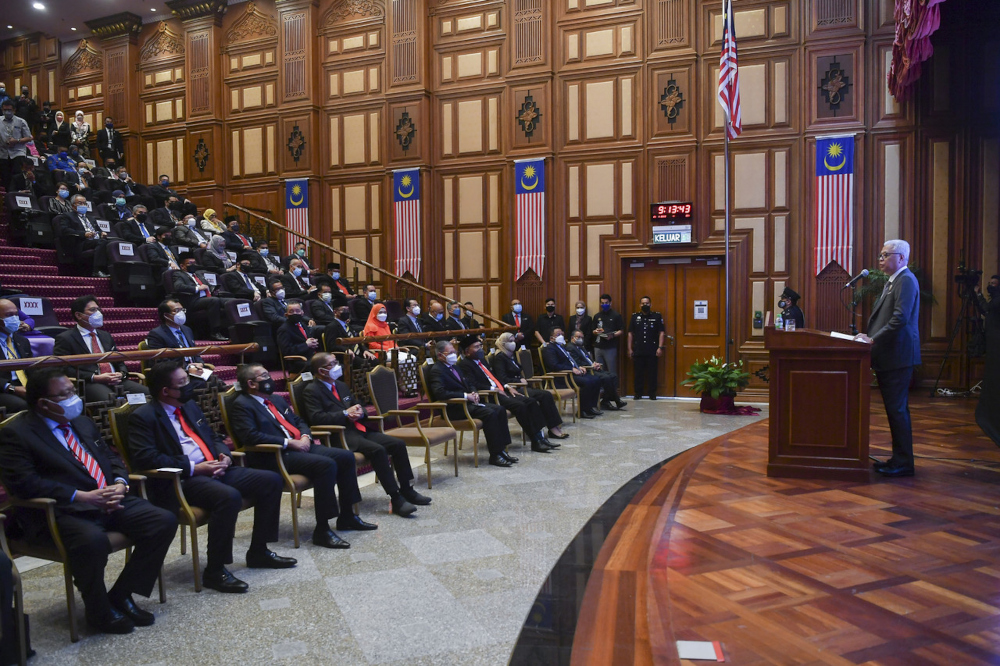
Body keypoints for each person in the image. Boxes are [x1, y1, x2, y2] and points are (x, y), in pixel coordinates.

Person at [0, 368, 177, 633]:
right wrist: (81, 496)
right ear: (43, 403)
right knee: (92, 541)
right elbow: (24, 483)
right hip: (62, 509)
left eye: (72, 391)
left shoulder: (82, 421)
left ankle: (122, 594)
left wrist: (119, 483)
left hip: (106, 498)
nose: (73, 398)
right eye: (64, 394)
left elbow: (111, 458)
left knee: (162, 520)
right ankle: (98, 609)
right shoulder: (16, 433)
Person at [128, 362, 296, 593]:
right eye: (183, 383)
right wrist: (194, 468)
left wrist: (224, 456)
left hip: (216, 468)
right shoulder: (144, 417)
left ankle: (259, 551)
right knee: (228, 497)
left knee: (270, 480)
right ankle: (215, 570)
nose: (189, 386)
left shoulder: (189, 406)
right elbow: (146, 459)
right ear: (165, 391)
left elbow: (214, 436)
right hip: (181, 480)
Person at [231, 363, 376, 546]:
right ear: (251, 383)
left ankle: (347, 516)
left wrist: (306, 436)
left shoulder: (275, 399)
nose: (269, 379)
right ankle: (322, 530)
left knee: (345, 457)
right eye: (264, 375)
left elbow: (298, 420)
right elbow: (250, 436)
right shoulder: (242, 405)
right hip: (275, 455)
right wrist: (289, 442)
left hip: (300, 445)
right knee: (326, 465)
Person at [302, 353, 430, 515]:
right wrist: (344, 414)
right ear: (321, 370)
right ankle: (395, 498)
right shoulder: (311, 391)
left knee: (398, 444)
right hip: (340, 435)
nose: (337, 366)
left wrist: (360, 412)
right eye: (332, 363)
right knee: (378, 450)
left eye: (336, 362)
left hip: (359, 429)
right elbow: (316, 418)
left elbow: (358, 404)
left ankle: (407, 489)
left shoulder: (340, 385)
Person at [855, 240, 921, 478]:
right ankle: (899, 459)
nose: (880, 259)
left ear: (901, 258)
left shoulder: (905, 281)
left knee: (897, 410)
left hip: (898, 356)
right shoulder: (895, 281)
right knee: (894, 410)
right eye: (880, 254)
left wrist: (873, 340)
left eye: (885, 255)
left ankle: (904, 463)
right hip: (891, 355)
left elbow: (899, 319)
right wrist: (868, 335)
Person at [457, 335, 557, 453]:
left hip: (501, 390)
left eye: (480, 346)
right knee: (520, 406)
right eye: (476, 347)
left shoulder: (482, 360)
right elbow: (473, 384)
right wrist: (493, 389)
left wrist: (507, 386)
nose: (480, 349)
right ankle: (535, 440)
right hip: (489, 395)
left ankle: (540, 437)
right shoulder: (464, 365)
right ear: (467, 351)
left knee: (530, 401)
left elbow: (494, 377)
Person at [427, 340, 516, 467]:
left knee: (500, 409)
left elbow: (469, 383)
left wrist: (474, 392)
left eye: (454, 351)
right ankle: (495, 455)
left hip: (467, 404)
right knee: (489, 413)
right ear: (441, 355)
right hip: (454, 408)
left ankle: (502, 449)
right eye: (451, 352)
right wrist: (465, 396)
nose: (454, 354)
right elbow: (440, 393)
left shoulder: (455, 367)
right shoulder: (437, 370)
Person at [52, 295, 150, 403]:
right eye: (92, 310)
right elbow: (63, 369)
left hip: (116, 381)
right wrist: (94, 377)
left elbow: (119, 361)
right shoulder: (66, 338)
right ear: (79, 315)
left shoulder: (105, 335)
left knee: (148, 394)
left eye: (98, 309)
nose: (98, 313)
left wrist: (121, 373)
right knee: (109, 400)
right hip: (90, 382)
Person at [490, 331, 568, 441]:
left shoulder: (511, 355)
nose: (513, 343)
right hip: (513, 388)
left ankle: (554, 427)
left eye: (514, 340)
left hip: (521, 386)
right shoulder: (500, 357)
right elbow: (502, 378)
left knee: (546, 395)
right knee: (543, 396)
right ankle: (546, 430)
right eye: (510, 341)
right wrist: (518, 380)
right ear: (503, 343)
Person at [146, 299, 227, 390]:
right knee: (206, 386)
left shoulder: (187, 330)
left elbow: (195, 353)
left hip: (195, 372)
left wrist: (199, 364)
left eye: (182, 310)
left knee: (220, 384)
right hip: (175, 375)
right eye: (177, 311)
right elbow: (160, 363)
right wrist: (187, 369)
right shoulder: (157, 334)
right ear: (166, 315)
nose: (181, 313)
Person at [543, 328, 604, 418]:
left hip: (570, 374)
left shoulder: (561, 346)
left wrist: (578, 367)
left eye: (562, 334)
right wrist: (571, 369)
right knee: (587, 382)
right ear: (551, 338)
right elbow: (554, 366)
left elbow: (569, 361)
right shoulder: (549, 349)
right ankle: (582, 410)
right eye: (557, 334)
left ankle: (590, 407)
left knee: (596, 379)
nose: (561, 336)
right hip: (561, 377)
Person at [166, 254, 231, 338]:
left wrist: (213, 290)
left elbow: (208, 285)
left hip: (206, 298)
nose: (193, 265)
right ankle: (215, 332)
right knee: (214, 301)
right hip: (192, 300)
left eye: (194, 263)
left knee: (231, 301)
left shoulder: (198, 274)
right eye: (190, 263)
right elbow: (179, 287)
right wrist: (197, 288)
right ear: (182, 266)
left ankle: (235, 329)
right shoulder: (178, 274)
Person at [568, 329, 627, 411]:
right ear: (572, 337)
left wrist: (595, 363)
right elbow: (577, 362)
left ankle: (605, 401)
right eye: (578, 337)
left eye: (582, 337)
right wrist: (591, 366)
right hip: (587, 371)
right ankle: (616, 400)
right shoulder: (570, 348)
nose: (580, 339)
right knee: (606, 378)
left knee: (613, 376)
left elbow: (587, 359)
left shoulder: (581, 347)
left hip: (592, 368)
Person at [58, 193, 111, 278]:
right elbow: (65, 230)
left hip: (94, 240)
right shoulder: (67, 216)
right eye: (79, 203)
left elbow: (98, 230)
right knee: (102, 242)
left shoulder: (91, 218)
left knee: (110, 243)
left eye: (84, 203)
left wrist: (102, 233)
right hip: (80, 242)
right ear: (73, 206)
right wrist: (84, 234)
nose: (83, 205)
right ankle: (97, 270)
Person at [975, 275, 1000, 447]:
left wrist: (978, 295)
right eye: (989, 283)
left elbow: (987, 308)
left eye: (993, 284)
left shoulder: (997, 300)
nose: (990, 286)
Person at [628, 296, 666, 400]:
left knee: (652, 373)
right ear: (640, 305)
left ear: (650, 304)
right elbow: (630, 333)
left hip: (652, 349)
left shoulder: (657, 316)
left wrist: (660, 347)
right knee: (638, 373)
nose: (645, 305)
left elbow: (661, 332)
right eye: (643, 303)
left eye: (647, 303)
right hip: (639, 349)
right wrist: (630, 348)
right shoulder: (635, 317)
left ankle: (652, 393)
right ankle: (638, 393)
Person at [0, 299, 32, 414]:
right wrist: (11, 388)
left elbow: (31, 369)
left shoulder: (22, 341)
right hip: (3, 389)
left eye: (16, 315)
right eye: (9, 315)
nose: (14, 319)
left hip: (24, 385)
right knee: (23, 406)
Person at [276, 300, 320, 372]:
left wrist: (313, 343)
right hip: (298, 360)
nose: (295, 313)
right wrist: (306, 345)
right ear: (286, 315)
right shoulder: (284, 329)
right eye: (291, 311)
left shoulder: (302, 324)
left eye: (297, 311)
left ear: (302, 313)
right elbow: (286, 351)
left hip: (310, 356)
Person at [0, 99, 33, 190]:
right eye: (5, 110)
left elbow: (29, 137)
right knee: (6, 178)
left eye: (9, 110)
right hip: (3, 153)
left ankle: (19, 195)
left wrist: (17, 140)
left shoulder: (21, 121)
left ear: (14, 110)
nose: (7, 112)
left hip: (17, 152)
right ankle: (8, 198)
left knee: (18, 176)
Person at [592, 293, 624, 381]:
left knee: (611, 370)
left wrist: (612, 335)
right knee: (598, 370)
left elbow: (621, 330)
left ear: (610, 303)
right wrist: (596, 331)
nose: (604, 305)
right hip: (598, 346)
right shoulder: (597, 316)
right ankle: (601, 391)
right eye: (602, 303)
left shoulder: (616, 315)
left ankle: (613, 391)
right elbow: (593, 330)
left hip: (610, 347)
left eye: (606, 303)